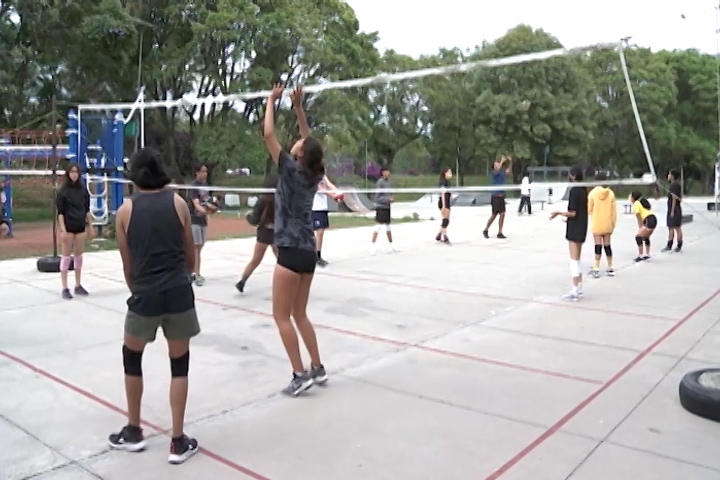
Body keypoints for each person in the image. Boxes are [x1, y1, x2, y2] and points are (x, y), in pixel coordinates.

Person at [109, 147, 200, 464]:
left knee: (131, 359)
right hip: (178, 292)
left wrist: (140, 290)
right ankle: (177, 441)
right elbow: (190, 257)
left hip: (144, 295)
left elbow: (128, 267)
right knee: (180, 365)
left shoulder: (124, 211)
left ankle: (134, 431)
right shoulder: (178, 203)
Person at [263, 84, 328, 396]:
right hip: (307, 252)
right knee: (300, 313)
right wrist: (299, 107)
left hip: (289, 251)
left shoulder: (290, 169)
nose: (297, 141)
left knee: (281, 316)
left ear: (299, 153)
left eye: (299, 143)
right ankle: (318, 367)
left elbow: (268, 135)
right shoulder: (314, 172)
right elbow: (310, 140)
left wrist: (271, 102)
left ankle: (299, 374)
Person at [550, 165, 588, 301]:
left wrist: (559, 213)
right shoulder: (584, 189)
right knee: (577, 258)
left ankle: (575, 289)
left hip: (575, 227)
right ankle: (580, 287)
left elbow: (573, 212)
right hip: (582, 225)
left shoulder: (575, 190)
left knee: (573, 260)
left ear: (572, 176)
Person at [236, 174, 279, 293]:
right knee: (281, 261)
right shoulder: (281, 200)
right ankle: (285, 283)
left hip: (264, 232)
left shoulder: (262, 200)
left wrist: (248, 216)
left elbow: (254, 220)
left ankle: (242, 281)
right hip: (276, 233)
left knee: (255, 260)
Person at [56, 162, 93, 299]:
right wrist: (63, 230)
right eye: (72, 172)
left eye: (76, 172)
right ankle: (65, 287)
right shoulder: (62, 191)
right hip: (68, 226)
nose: (74, 174)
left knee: (78, 256)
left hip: (80, 225)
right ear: (68, 173)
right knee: (66, 257)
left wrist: (91, 225)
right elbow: (60, 212)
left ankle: (78, 284)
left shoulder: (83, 190)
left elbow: (87, 209)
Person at [187, 164, 217, 286]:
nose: (205, 174)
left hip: (203, 220)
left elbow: (207, 202)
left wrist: (213, 209)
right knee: (196, 248)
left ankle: (192, 271)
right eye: (203, 171)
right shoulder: (193, 186)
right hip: (194, 219)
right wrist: (203, 210)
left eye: (206, 172)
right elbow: (196, 203)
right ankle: (196, 274)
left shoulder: (205, 186)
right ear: (197, 172)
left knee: (199, 247)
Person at [587, 172, 617, 277]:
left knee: (598, 246)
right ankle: (610, 267)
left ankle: (596, 268)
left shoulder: (592, 193)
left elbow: (589, 209)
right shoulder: (611, 193)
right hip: (608, 223)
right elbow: (614, 212)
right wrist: (613, 224)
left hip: (597, 222)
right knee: (607, 245)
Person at [312, 173, 340, 267]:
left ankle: (318, 255)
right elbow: (320, 189)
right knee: (317, 232)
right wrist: (333, 196)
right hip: (315, 208)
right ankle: (314, 256)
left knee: (321, 232)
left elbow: (329, 184)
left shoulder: (322, 174)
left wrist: (338, 192)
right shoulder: (312, 174)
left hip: (323, 208)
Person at [483, 155, 512, 239]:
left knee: (502, 214)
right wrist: (502, 161)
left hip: (502, 196)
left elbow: (509, 172)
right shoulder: (493, 173)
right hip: (495, 196)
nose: (498, 165)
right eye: (496, 164)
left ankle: (500, 232)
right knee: (494, 214)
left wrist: (510, 162)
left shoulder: (502, 172)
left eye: (498, 164)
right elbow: (497, 170)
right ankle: (486, 229)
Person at [371, 166, 397, 254]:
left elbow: (390, 194)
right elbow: (377, 198)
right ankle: (372, 246)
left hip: (387, 207)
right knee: (378, 226)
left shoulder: (389, 182)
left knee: (388, 226)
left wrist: (391, 199)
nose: (388, 173)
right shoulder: (380, 183)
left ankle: (391, 245)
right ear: (383, 172)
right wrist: (387, 200)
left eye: (389, 171)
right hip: (381, 207)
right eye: (387, 171)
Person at [630, 190, 657, 262]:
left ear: (633, 197)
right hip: (653, 219)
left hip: (648, 220)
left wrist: (641, 227)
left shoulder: (636, 204)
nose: (629, 198)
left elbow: (638, 217)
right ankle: (647, 254)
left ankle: (640, 255)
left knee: (638, 237)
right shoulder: (641, 202)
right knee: (646, 237)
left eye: (630, 196)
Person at [662, 170, 683, 253]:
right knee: (677, 227)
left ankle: (669, 245)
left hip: (673, 209)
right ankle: (679, 245)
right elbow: (680, 197)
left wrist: (672, 211)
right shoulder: (677, 185)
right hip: (677, 208)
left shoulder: (673, 185)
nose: (668, 176)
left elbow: (674, 198)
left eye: (669, 174)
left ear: (673, 176)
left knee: (672, 227)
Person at [436, 167, 452, 245]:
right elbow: (442, 193)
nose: (450, 174)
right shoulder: (442, 182)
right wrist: (444, 205)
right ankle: (444, 236)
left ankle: (439, 234)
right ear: (445, 173)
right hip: (444, 202)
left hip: (447, 201)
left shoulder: (447, 182)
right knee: (445, 220)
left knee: (446, 220)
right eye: (449, 172)